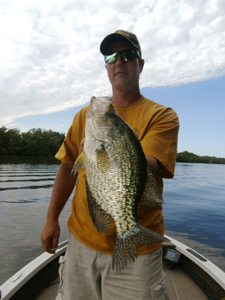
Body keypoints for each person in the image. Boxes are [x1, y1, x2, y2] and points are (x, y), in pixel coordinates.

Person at [41, 29, 179, 300]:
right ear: (106, 65)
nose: (119, 62)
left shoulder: (162, 115)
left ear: (140, 64)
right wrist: (50, 219)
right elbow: (67, 168)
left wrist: (125, 153)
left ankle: (130, 234)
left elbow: (152, 162)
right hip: (81, 240)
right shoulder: (85, 116)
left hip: (139, 251)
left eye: (128, 55)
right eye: (112, 56)